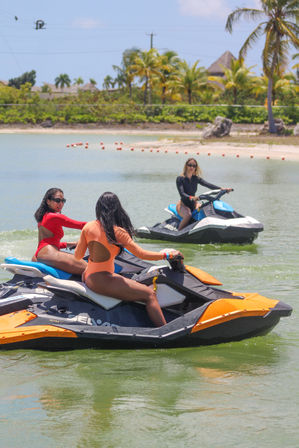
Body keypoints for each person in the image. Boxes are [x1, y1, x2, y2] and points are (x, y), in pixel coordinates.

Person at [75, 192, 183, 327]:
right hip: (102, 280)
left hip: (88, 276)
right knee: (149, 294)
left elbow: (78, 256)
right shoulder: (118, 232)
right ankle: (165, 331)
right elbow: (142, 254)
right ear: (117, 209)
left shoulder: (88, 227)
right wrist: (167, 255)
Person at [33, 187, 87, 275]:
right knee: (90, 269)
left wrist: (71, 244)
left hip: (38, 255)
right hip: (49, 254)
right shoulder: (54, 216)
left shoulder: (43, 217)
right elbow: (81, 225)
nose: (61, 203)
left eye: (63, 201)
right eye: (57, 200)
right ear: (48, 201)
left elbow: (49, 242)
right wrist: (104, 224)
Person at [176, 158, 232, 230]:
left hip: (194, 204)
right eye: (190, 165)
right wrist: (191, 197)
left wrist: (222, 189)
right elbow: (182, 193)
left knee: (206, 208)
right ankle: (178, 232)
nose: (191, 167)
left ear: (196, 167)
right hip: (183, 205)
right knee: (188, 215)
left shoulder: (196, 178)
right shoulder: (180, 178)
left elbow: (208, 185)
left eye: (194, 166)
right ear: (186, 166)